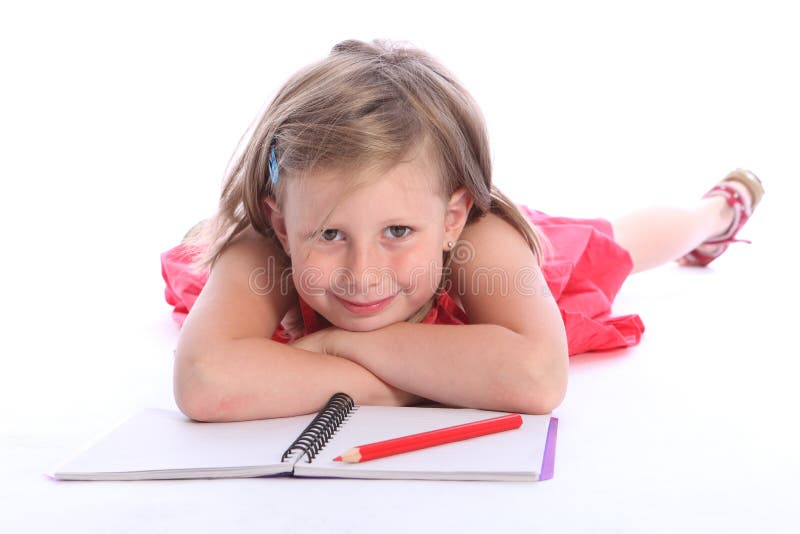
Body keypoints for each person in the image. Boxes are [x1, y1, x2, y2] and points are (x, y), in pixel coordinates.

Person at [161, 39, 764, 422]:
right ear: (280, 224)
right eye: (329, 234)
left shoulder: (481, 242)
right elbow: (206, 380)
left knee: (619, 246)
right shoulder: (259, 248)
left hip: (499, 272)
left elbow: (537, 378)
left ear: (450, 219)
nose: (363, 273)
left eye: (397, 230)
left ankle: (716, 214)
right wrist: (395, 385)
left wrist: (339, 346)